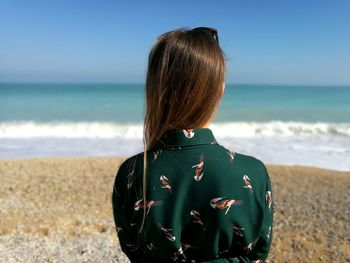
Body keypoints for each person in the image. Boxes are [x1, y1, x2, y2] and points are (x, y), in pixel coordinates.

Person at [112, 26, 274, 263]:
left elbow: (132, 248)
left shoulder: (133, 172)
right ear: (220, 91)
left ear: (155, 91)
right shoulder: (253, 173)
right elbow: (258, 253)